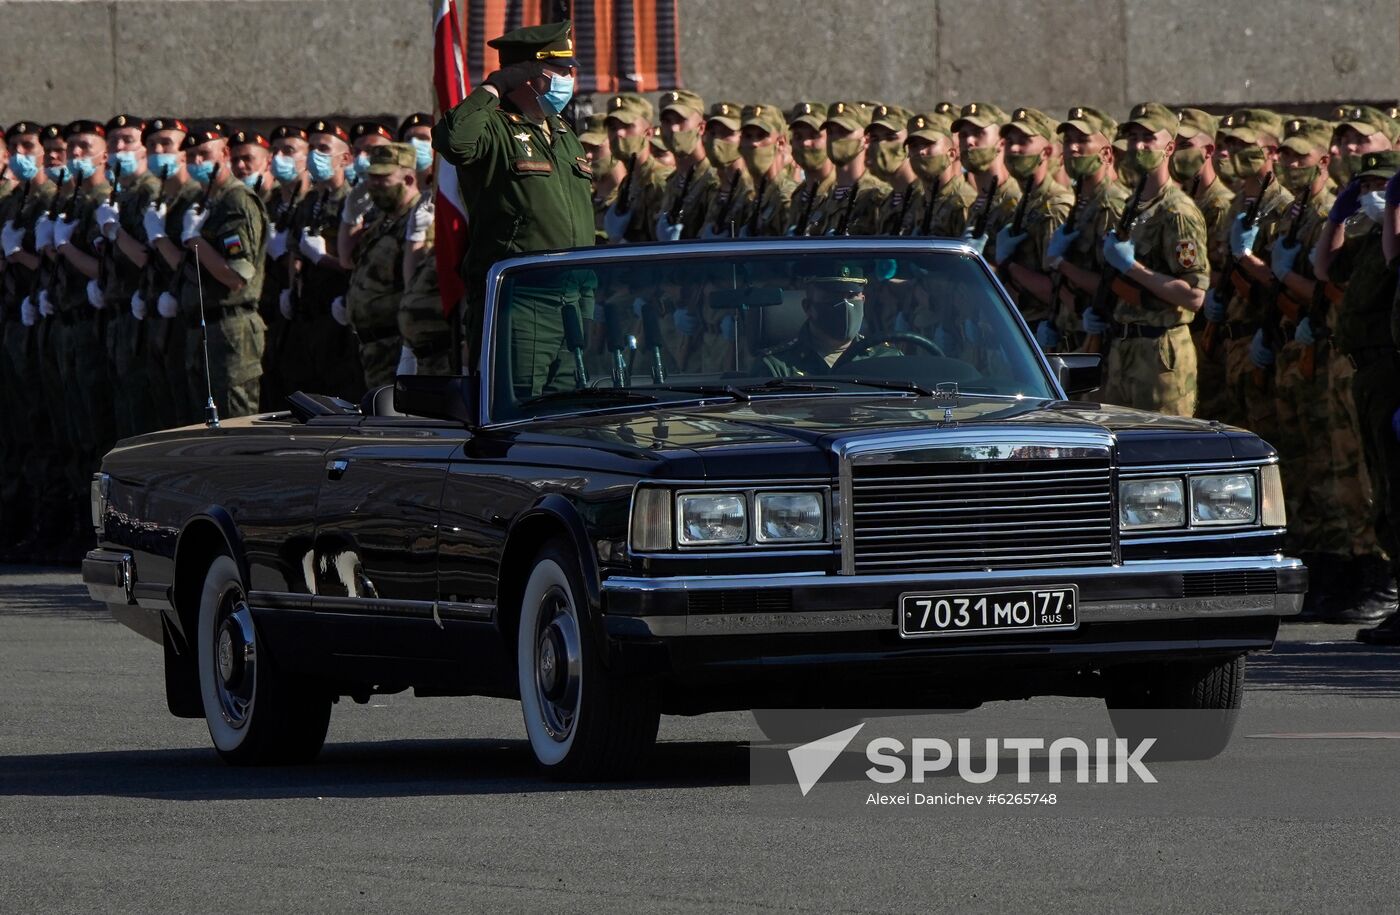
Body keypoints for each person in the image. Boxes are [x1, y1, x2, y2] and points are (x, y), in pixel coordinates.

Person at [1267, 116, 1390, 622]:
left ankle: (1380, 573)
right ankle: (1341, 567)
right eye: (1345, 141)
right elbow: (1327, 273)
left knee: (1369, 471)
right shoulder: (1358, 215)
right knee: (1334, 467)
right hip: (1347, 355)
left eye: (1362, 140)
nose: (1350, 149)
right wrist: (1341, 219)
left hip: (1381, 358)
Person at [431, 19, 594, 386]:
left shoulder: (565, 133)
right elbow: (453, 141)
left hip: (577, 301)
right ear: (528, 73)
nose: (571, 77)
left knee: (573, 417)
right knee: (516, 412)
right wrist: (494, 85)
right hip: (521, 301)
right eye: (561, 69)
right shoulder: (495, 127)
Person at [1315, 150, 1400, 644]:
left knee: (1397, 488)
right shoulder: (1370, 240)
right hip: (1368, 372)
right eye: (1364, 184)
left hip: (1392, 368)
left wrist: (1391, 209)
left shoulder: (1393, 236)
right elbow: (1326, 269)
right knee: (1384, 491)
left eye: (1382, 185)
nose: (1372, 193)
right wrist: (1337, 218)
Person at [1095, 102, 1210, 417]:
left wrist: (1133, 268)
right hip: (1124, 348)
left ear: (1170, 147)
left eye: (1149, 138)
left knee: (1161, 450)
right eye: (1133, 137)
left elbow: (1195, 295)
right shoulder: (1133, 204)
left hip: (1161, 353)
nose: (1138, 145)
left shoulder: (1178, 211)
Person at [51, 119, 115, 547]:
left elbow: (103, 270)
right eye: (70, 148)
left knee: (96, 428)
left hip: (95, 327)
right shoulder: (71, 202)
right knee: (69, 429)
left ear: (103, 154)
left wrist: (63, 250)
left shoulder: (104, 200)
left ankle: (97, 526)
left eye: (83, 147)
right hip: (66, 324)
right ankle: (69, 523)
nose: (75, 156)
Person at [177, 124, 269, 419]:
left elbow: (237, 277)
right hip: (205, 328)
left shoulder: (236, 200)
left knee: (235, 425)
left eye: (205, 153)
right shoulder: (208, 201)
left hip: (232, 332)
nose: (198, 163)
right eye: (191, 157)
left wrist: (196, 242)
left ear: (225, 153)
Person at [0, 121, 60, 553]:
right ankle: (29, 520)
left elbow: (49, 264)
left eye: (28, 146)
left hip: (44, 321)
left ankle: (54, 522)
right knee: (20, 429)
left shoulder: (50, 199)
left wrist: (20, 256)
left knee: (46, 426)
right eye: (15, 145)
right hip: (17, 321)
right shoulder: (17, 201)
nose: (22, 153)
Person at [284, 118, 361, 400]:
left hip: (337, 308)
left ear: (345, 158)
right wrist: (291, 287)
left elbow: (354, 261)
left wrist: (322, 258)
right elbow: (295, 248)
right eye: (312, 147)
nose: (316, 154)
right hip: (309, 309)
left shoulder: (352, 201)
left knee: (339, 390)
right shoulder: (308, 201)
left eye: (324, 148)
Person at [97, 114, 163, 441]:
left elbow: (145, 257)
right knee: (122, 408)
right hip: (119, 314)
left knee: (142, 414)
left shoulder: (148, 190)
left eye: (128, 141)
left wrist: (113, 231)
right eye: (113, 141)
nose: (119, 147)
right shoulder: (120, 193)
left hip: (142, 316)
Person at [988, 106, 1074, 348]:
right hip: (1021, 326)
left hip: (1045, 332)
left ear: (1046, 151)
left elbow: (1055, 291)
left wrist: (1008, 265)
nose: (1014, 149)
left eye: (1024, 141)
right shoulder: (1024, 203)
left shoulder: (1054, 206)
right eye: (1010, 141)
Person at [1046, 106, 1128, 352]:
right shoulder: (1081, 202)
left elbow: (1113, 284)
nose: (1072, 148)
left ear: (1105, 153)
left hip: (1099, 340)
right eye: (1068, 140)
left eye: (1082, 140)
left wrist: (1060, 263)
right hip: (1070, 336)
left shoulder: (1112, 204)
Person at [343, 143, 423, 387]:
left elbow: (416, 285)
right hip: (370, 347)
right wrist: (350, 217)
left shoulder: (417, 221)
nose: (373, 185)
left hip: (395, 345)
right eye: (371, 178)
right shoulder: (383, 221)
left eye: (383, 178)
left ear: (408, 179)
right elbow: (347, 259)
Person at [139, 117, 202, 429]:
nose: (158, 151)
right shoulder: (163, 199)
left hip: (187, 318)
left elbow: (189, 265)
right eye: (151, 145)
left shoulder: (196, 198)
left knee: (188, 413)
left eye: (166, 144)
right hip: (161, 319)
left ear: (183, 153)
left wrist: (159, 238)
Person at [1173, 108, 1235, 423]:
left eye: (1184, 144)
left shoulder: (1220, 204)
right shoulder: (1183, 199)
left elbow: (1222, 272)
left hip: (1210, 333)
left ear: (1208, 150)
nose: (1175, 151)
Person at [753, 264, 898, 377]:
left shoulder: (887, 359)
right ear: (808, 307)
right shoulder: (777, 367)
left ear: (863, 301)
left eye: (852, 296)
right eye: (834, 296)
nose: (845, 305)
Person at [951, 102, 1021, 260]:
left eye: (978, 133)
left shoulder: (1014, 200)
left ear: (1001, 143)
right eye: (963, 135)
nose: (969, 141)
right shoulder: (978, 202)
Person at [807, 102, 890, 236]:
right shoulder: (823, 198)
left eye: (844, 132)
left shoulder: (876, 196)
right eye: (831, 132)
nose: (835, 139)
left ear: (866, 139)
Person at [600, 93, 672, 243]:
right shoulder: (629, 182)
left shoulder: (661, 179)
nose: (618, 133)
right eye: (612, 128)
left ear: (648, 133)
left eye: (627, 126)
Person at [901, 110, 977, 238]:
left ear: (952, 154)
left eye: (928, 144)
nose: (921, 152)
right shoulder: (919, 202)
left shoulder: (964, 202)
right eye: (914, 146)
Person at [653, 89, 716, 240]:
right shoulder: (672, 181)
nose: (674, 129)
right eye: (667, 121)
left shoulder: (712, 180)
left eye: (681, 121)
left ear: (701, 128)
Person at [732, 103, 797, 237]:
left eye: (762, 136)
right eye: (748, 136)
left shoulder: (786, 197)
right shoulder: (750, 197)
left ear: (780, 142)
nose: (754, 143)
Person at [699, 101, 755, 238]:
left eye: (726, 134)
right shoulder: (712, 188)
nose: (717, 140)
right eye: (712, 133)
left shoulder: (751, 192)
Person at [785, 101, 834, 235]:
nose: (805, 143)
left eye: (814, 136)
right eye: (798, 136)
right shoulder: (798, 196)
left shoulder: (839, 193)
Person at [578, 113, 622, 243]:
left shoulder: (627, 199)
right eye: (584, 148)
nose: (588, 155)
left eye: (595, 147)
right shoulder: (584, 198)